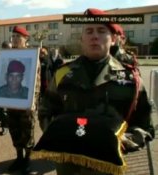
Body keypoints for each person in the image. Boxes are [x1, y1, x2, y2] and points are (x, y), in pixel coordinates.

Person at [34, 8, 155, 175]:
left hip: (107, 167)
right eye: (89, 31)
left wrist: (120, 141)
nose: (94, 36)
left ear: (113, 39)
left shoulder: (130, 80)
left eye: (101, 30)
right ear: (82, 39)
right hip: (69, 166)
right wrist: (60, 135)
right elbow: (46, 110)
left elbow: (145, 125)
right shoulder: (62, 75)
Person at [5, 25, 40, 174]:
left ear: (26, 40)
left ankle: (28, 160)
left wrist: (32, 101)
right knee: (15, 131)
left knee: (27, 133)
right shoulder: (8, 56)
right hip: (12, 104)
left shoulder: (32, 56)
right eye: (13, 37)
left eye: (18, 37)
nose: (15, 40)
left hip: (26, 104)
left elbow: (36, 82)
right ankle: (19, 158)